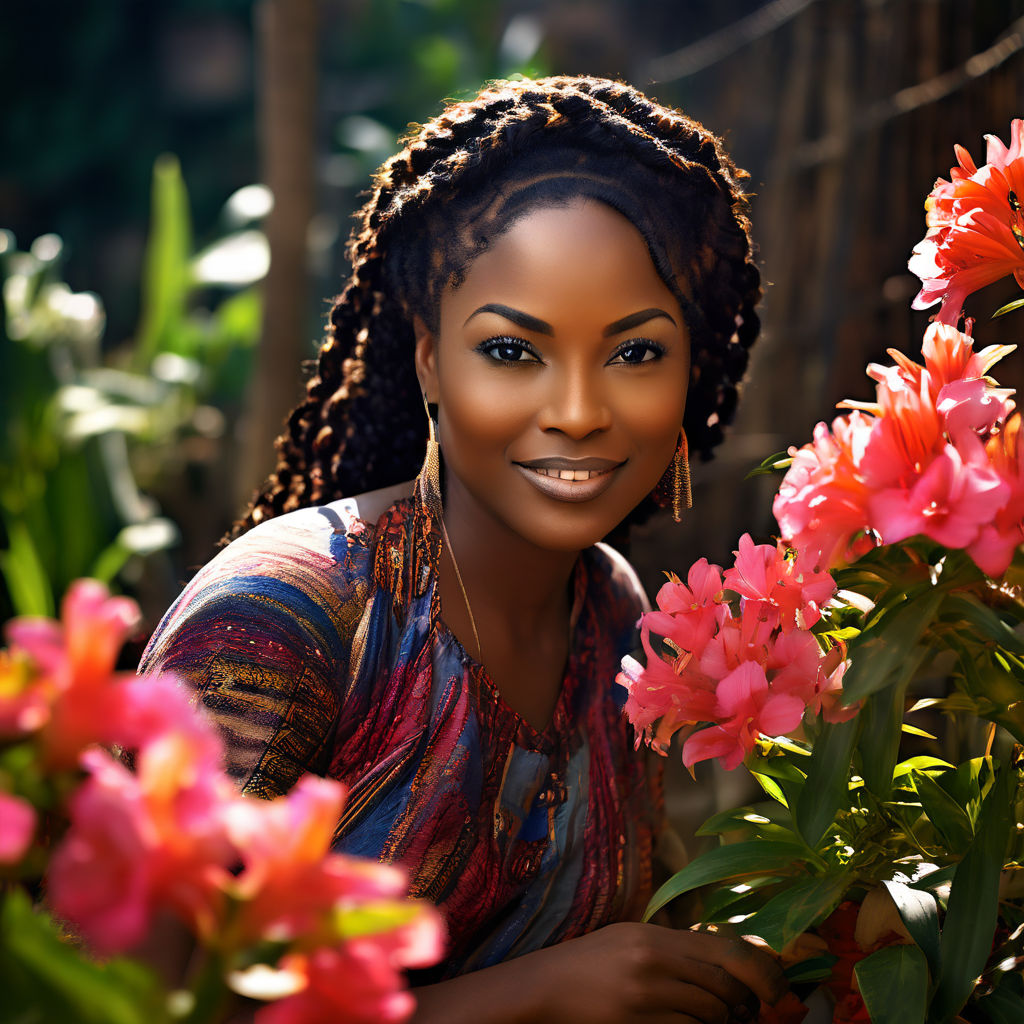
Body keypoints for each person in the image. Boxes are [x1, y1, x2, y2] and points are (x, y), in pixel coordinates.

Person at [141, 75, 786, 1023]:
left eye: (636, 352)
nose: (576, 412)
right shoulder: (290, 616)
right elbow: (121, 1001)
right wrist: (532, 997)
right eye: (513, 351)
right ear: (429, 357)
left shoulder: (615, 618)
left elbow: (634, 939)